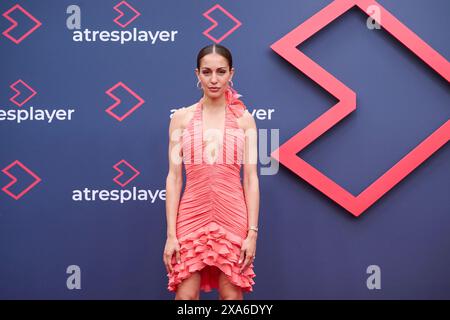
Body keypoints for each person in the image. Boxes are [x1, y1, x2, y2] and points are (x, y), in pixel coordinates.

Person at [163, 43, 260, 300]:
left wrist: (252, 233)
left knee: (231, 295)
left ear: (231, 73)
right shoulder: (181, 118)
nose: (214, 79)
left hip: (233, 214)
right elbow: (174, 178)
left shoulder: (244, 120)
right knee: (186, 296)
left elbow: (250, 179)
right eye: (207, 72)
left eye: (221, 71)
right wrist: (171, 235)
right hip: (191, 214)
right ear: (197, 74)